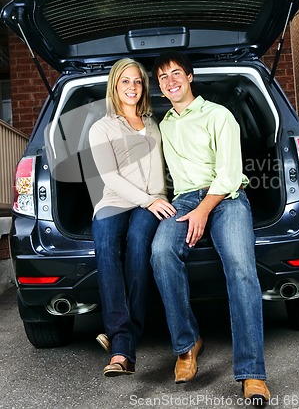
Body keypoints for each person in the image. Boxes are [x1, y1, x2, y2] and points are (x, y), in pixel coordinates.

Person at [150, 51, 270, 404]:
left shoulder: (219, 115)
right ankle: (187, 345)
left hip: (227, 197)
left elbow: (230, 174)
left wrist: (203, 210)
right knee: (160, 253)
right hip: (184, 199)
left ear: (189, 77)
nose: (170, 81)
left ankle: (252, 373)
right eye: (162, 77)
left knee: (241, 267)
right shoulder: (165, 124)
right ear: (159, 87)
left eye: (176, 73)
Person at [89, 58, 176, 377]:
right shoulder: (102, 127)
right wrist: (147, 200)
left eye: (137, 81)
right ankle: (123, 345)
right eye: (125, 81)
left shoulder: (154, 123)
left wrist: (158, 199)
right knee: (107, 249)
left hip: (152, 202)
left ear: (144, 87)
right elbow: (109, 176)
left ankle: (122, 343)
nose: (132, 87)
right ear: (115, 85)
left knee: (139, 246)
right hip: (115, 200)